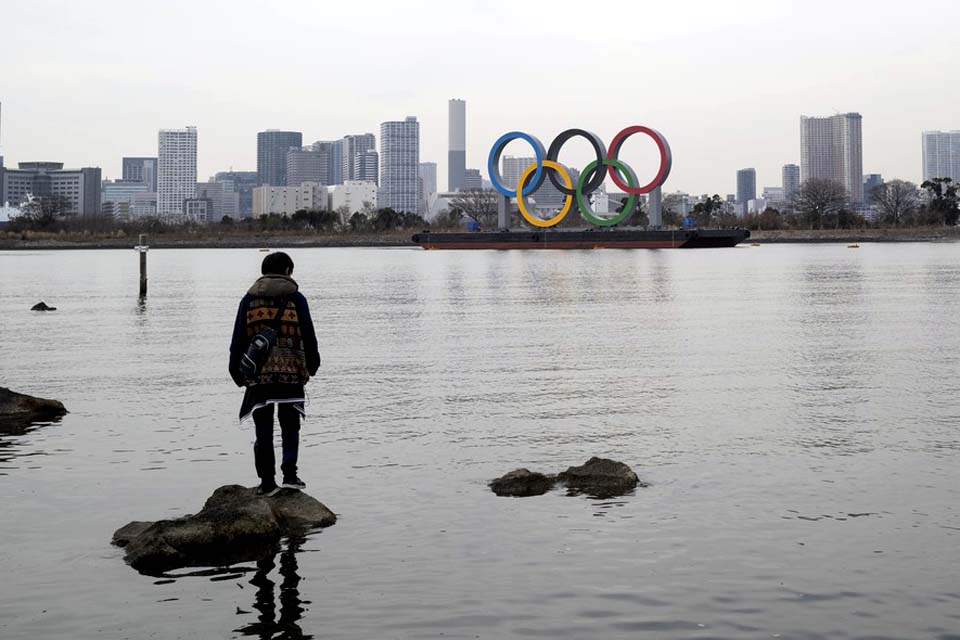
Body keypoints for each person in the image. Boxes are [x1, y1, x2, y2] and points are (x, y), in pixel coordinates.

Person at [229, 252, 321, 496]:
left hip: (259, 378)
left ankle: (267, 482)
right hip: (291, 375)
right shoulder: (297, 299)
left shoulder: (248, 300)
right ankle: (290, 476)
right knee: (291, 428)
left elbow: (238, 339)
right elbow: (308, 335)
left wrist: (236, 373)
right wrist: (312, 365)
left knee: (263, 431)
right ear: (288, 271)